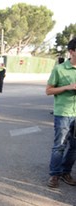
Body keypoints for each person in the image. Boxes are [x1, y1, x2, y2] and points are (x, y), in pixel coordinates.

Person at [46, 37, 76, 188]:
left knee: (74, 146)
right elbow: (48, 90)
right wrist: (68, 87)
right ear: (71, 51)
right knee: (59, 145)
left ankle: (66, 172)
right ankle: (54, 175)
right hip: (63, 113)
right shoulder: (60, 69)